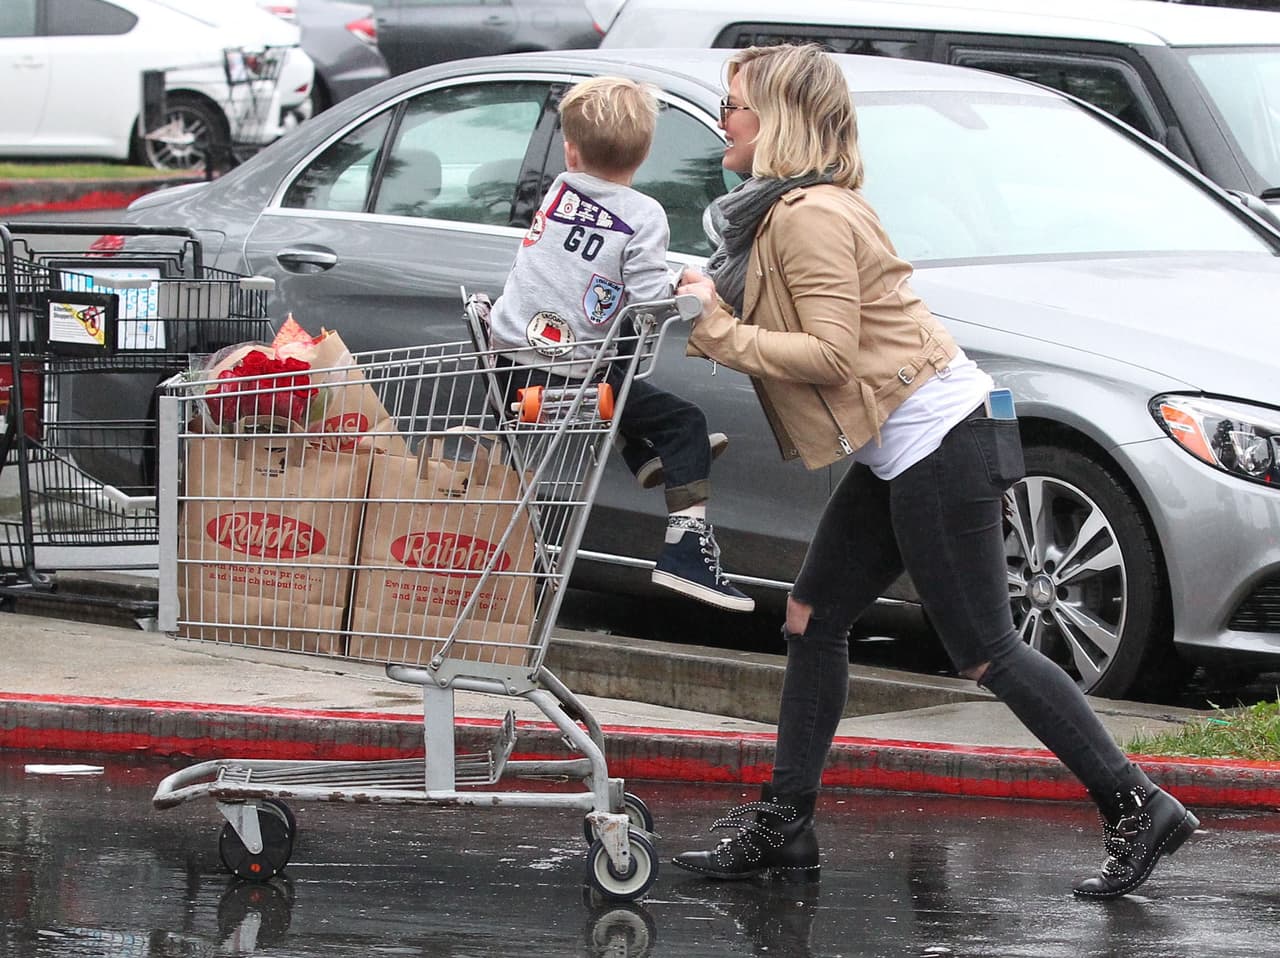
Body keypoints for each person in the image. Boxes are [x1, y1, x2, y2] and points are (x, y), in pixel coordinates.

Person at [671, 43, 1198, 898]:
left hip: (939, 439)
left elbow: (831, 355)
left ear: (776, 122)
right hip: (905, 438)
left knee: (987, 650)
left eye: (734, 105)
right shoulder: (782, 211)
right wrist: (707, 299)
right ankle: (786, 822)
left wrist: (716, 327)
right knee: (813, 617)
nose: (722, 120)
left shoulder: (809, 215)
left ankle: (1139, 805)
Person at [486, 75, 752, 613]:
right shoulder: (643, 214)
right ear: (647, 150)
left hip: (512, 367)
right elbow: (648, 300)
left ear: (571, 148)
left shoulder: (558, 191)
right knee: (686, 424)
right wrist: (688, 286)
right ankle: (686, 553)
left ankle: (642, 453)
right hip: (568, 381)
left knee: (614, 352)